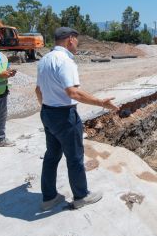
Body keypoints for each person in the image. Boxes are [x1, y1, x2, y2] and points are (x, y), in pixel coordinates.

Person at [36, 27, 119, 211]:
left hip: (47, 112)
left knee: (51, 156)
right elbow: (73, 92)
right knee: (74, 158)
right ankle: (81, 196)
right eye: (77, 40)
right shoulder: (65, 61)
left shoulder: (43, 60)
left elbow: (38, 91)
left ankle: (49, 198)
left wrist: (48, 107)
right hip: (64, 116)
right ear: (70, 39)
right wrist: (101, 102)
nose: (77, 44)